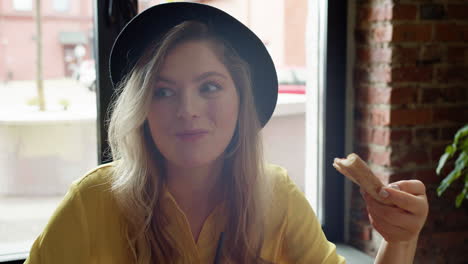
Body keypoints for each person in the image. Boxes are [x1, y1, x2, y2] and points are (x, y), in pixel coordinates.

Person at [25, 3, 428, 264]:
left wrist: (399, 239)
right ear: (141, 108)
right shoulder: (92, 203)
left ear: (242, 101)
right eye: (163, 91)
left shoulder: (276, 196)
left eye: (210, 86)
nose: (188, 110)